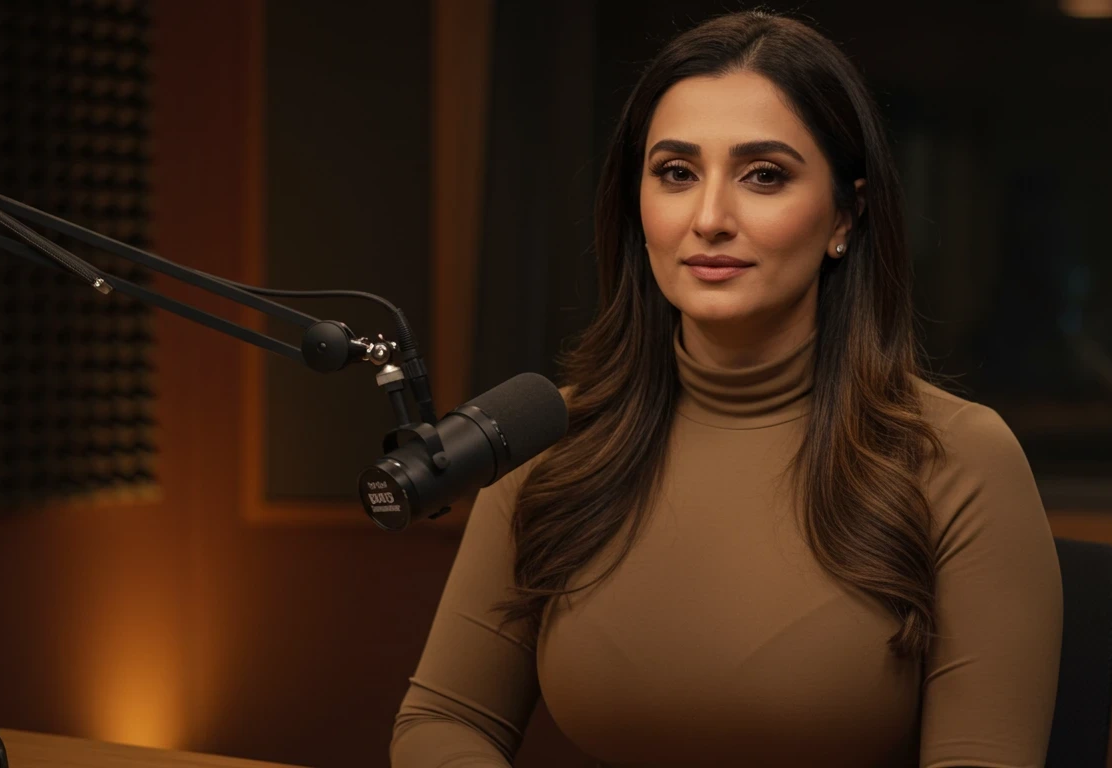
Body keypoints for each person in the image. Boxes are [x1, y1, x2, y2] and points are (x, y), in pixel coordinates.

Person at [392, 10, 1061, 768]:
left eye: (764, 176)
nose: (709, 218)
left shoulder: (959, 458)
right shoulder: (550, 438)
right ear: (636, 203)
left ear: (846, 214)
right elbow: (443, 721)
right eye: (676, 173)